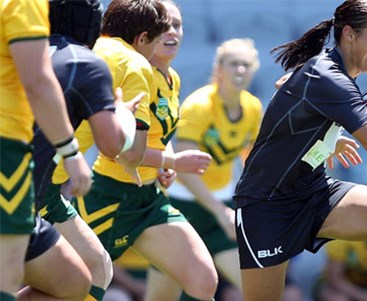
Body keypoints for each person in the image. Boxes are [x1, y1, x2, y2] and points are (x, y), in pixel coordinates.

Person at [233, 1, 367, 300]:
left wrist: (320, 138)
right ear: (349, 34)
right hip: (266, 205)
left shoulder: (327, 72)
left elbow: (284, 84)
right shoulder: (329, 76)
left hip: (314, 192)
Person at [73, 0, 219, 300]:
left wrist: (164, 165)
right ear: (145, 34)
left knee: (204, 281)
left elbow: (154, 137)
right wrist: (174, 161)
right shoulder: (134, 69)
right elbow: (120, 150)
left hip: (149, 198)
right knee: (78, 286)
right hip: (109, 195)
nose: (171, 32)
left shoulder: (172, 78)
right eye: (164, 25)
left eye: (177, 25)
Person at [30, 0, 143, 299]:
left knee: (94, 271)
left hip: (41, 192)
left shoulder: (19, 54)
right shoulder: (85, 63)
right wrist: (123, 114)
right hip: (18, 195)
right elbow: (113, 146)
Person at [157, 37, 262, 300]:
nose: (240, 70)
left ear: (254, 69)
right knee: (163, 296)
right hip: (184, 206)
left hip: (221, 206)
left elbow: (252, 161)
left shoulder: (252, 107)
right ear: (219, 68)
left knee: (256, 288)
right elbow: (182, 166)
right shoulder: (199, 105)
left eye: (246, 64)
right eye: (233, 63)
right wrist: (219, 211)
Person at [0, 0, 92, 299]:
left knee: (71, 281)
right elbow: (38, 82)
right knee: (6, 273)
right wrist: (70, 151)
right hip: (5, 146)